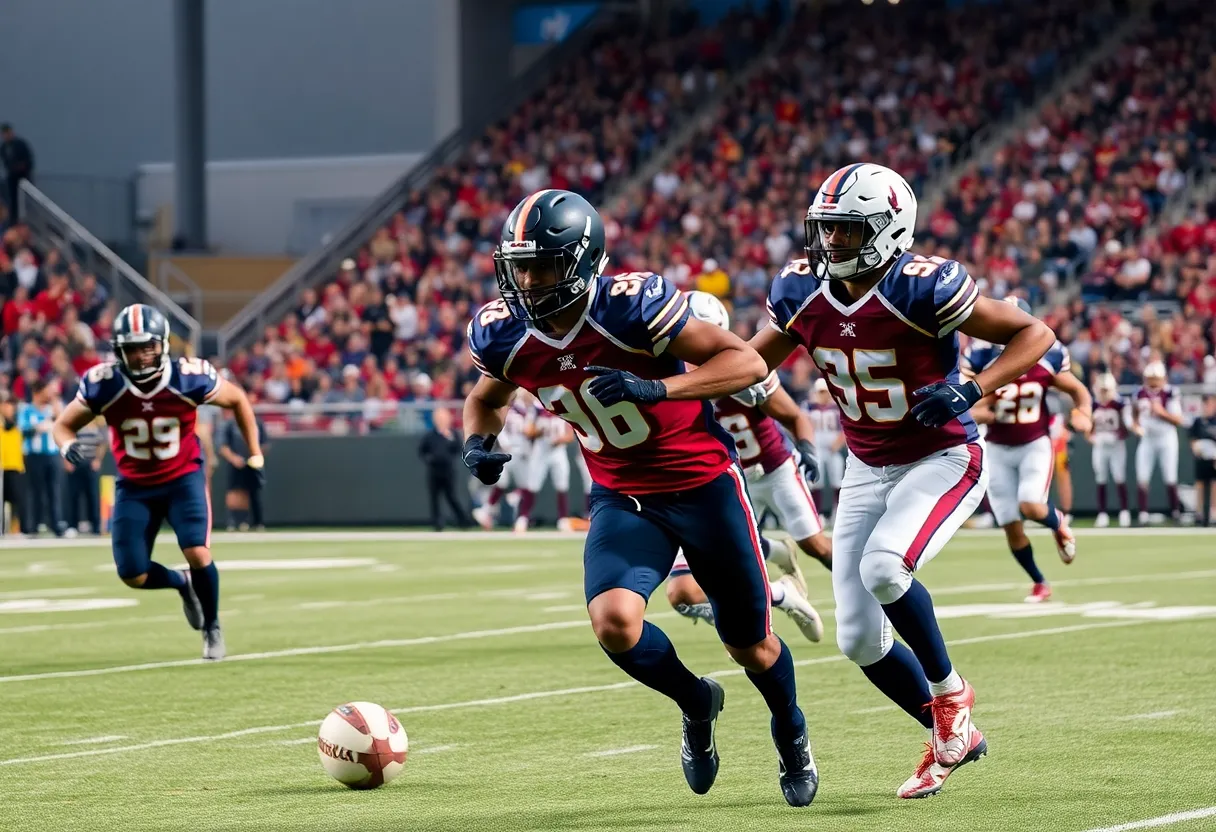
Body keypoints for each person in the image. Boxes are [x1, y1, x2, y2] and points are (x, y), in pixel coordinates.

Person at [464, 189, 817, 806]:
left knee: (751, 646)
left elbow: (746, 365)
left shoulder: (631, 307)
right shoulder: (505, 335)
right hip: (623, 495)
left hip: (705, 486)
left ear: (580, 261)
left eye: (541, 266)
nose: (526, 280)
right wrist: (476, 442)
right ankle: (695, 701)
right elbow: (487, 399)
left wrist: (658, 386)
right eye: (518, 266)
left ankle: (789, 726)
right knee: (615, 624)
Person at [752, 162, 1054, 799]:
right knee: (859, 640)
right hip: (867, 464)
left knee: (886, 568)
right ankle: (954, 736)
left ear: (890, 232)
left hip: (942, 457)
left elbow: (1035, 333)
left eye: (846, 231)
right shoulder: (802, 290)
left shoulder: (924, 287)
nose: (830, 244)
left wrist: (971, 387)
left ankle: (951, 697)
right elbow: (748, 361)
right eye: (825, 230)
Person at [53, 303, 264, 661]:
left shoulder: (188, 377)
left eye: (146, 346)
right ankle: (182, 583)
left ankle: (212, 625)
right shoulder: (105, 384)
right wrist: (67, 446)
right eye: (131, 348)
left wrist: (255, 451)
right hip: (135, 485)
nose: (139, 356)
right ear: (119, 350)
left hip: (183, 477)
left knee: (198, 550)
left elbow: (238, 400)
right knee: (132, 574)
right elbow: (62, 425)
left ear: (162, 344)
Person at [664, 291, 828, 643]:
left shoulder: (742, 365)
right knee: (683, 593)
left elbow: (793, 415)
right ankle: (771, 594)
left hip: (773, 467)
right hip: (717, 481)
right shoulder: (666, 374)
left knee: (818, 547)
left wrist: (807, 448)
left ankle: (870, 599)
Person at [963, 297, 1091, 604]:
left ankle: (1057, 522)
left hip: (1034, 441)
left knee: (1032, 505)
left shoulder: (1047, 354)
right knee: (1011, 525)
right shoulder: (980, 354)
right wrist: (983, 410)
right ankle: (1039, 582)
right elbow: (965, 403)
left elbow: (1076, 389)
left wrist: (1084, 411)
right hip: (996, 446)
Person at [471, 391, 535, 532]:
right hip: (514, 451)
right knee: (522, 484)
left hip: (519, 451)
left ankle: (511, 511)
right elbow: (502, 430)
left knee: (521, 484)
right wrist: (507, 444)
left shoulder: (527, 409)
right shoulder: (517, 411)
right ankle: (520, 516)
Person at [1130, 361, 1183, 523]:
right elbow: (1134, 411)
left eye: (1156, 379)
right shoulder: (1139, 393)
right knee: (1142, 475)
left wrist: (1161, 413)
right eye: (1150, 379)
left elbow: (1178, 420)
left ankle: (1175, 512)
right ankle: (1143, 514)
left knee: (1170, 475)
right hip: (1148, 438)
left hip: (1166, 437)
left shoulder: (1170, 393)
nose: (1153, 383)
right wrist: (1136, 424)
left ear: (1163, 379)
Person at [17, 379, 65, 536]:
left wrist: (56, 406)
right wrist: (38, 427)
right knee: (35, 491)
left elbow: (64, 422)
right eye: (45, 391)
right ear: (37, 393)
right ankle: (34, 525)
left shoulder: (52, 409)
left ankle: (56, 525)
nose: (48, 394)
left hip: (51, 454)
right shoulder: (26, 409)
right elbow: (23, 430)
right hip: (33, 455)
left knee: (54, 491)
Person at [417, 407, 470, 531]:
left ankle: (463, 521)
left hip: (448, 470)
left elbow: (458, 448)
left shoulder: (453, 434)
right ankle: (437, 523)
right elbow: (422, 451)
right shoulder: (430, 436)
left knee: (451, 496)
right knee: (434, 497)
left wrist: (449, 437)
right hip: (434, 470)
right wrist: (429, 459)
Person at [1089, 373, 1132, 527]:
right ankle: (1102, 513)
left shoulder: (1120, 404)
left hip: (1116, 446)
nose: (1104, 393)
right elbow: (1089, 429)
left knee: (1119, 477)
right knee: (1100, 478)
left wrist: (1116, 436)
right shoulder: (1093, 404)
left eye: (1106, 390)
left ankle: (1124, 511)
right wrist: (1093, 438)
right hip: (1100, 446)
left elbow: (1127, 428)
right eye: (1102, 390)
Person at [219, 407, 268, 530]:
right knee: (234, 492)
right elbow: (223, 446)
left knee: (253, 492)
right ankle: (234, 521)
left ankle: (256, 522)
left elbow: (264, 444)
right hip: (235, 464)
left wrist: (254, 456)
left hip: (253, 464)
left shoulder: (257, 423)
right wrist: (234, 459)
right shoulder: (229, 425)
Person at [806, 378, 845, 522]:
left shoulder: (837, 409)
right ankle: (817, 514)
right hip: (817, 449)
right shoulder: (809, 408)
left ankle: (838, 513)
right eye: (821, 392)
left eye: (826, 392)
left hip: (833, 449)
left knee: (837, 482)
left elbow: (846, 430)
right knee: (817, 481)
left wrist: (839, 442)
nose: (824, 395)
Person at [63, 414, 105, 535]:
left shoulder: (97, 426)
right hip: (76, 463)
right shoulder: (76, 427)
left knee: (93, 495)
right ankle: (72, 525)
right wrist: (67, 460)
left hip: (91, 463)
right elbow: (68, 442)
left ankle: (96, 526)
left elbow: (102, 443)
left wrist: (98, 459)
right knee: (73, 495)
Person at [1188, 395, 1216, 527]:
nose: (1208, 407)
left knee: (1214, 485)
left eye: (1210, 404)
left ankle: (1213, 513)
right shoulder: (1197, 421)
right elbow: (1193, 439)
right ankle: (1199, 513)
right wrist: (1196, 450)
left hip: (1214, 458)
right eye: (1206, 404)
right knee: (1200, 484)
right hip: (1201, 458)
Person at [0, 393, 26, 535]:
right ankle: (3, 529)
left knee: (16, 501)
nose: (10, 408)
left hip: (15, 465)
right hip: (2, 466)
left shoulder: (17, 422)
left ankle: (15, 529)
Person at [1, 124, 35, 221]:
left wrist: (22, 169)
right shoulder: (3, 147)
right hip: (11, 177)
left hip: (22, 176)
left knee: (22, 200)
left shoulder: (20, 144)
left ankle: (21, 219)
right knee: (12, 199)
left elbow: (28, 160)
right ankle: (13, 218)